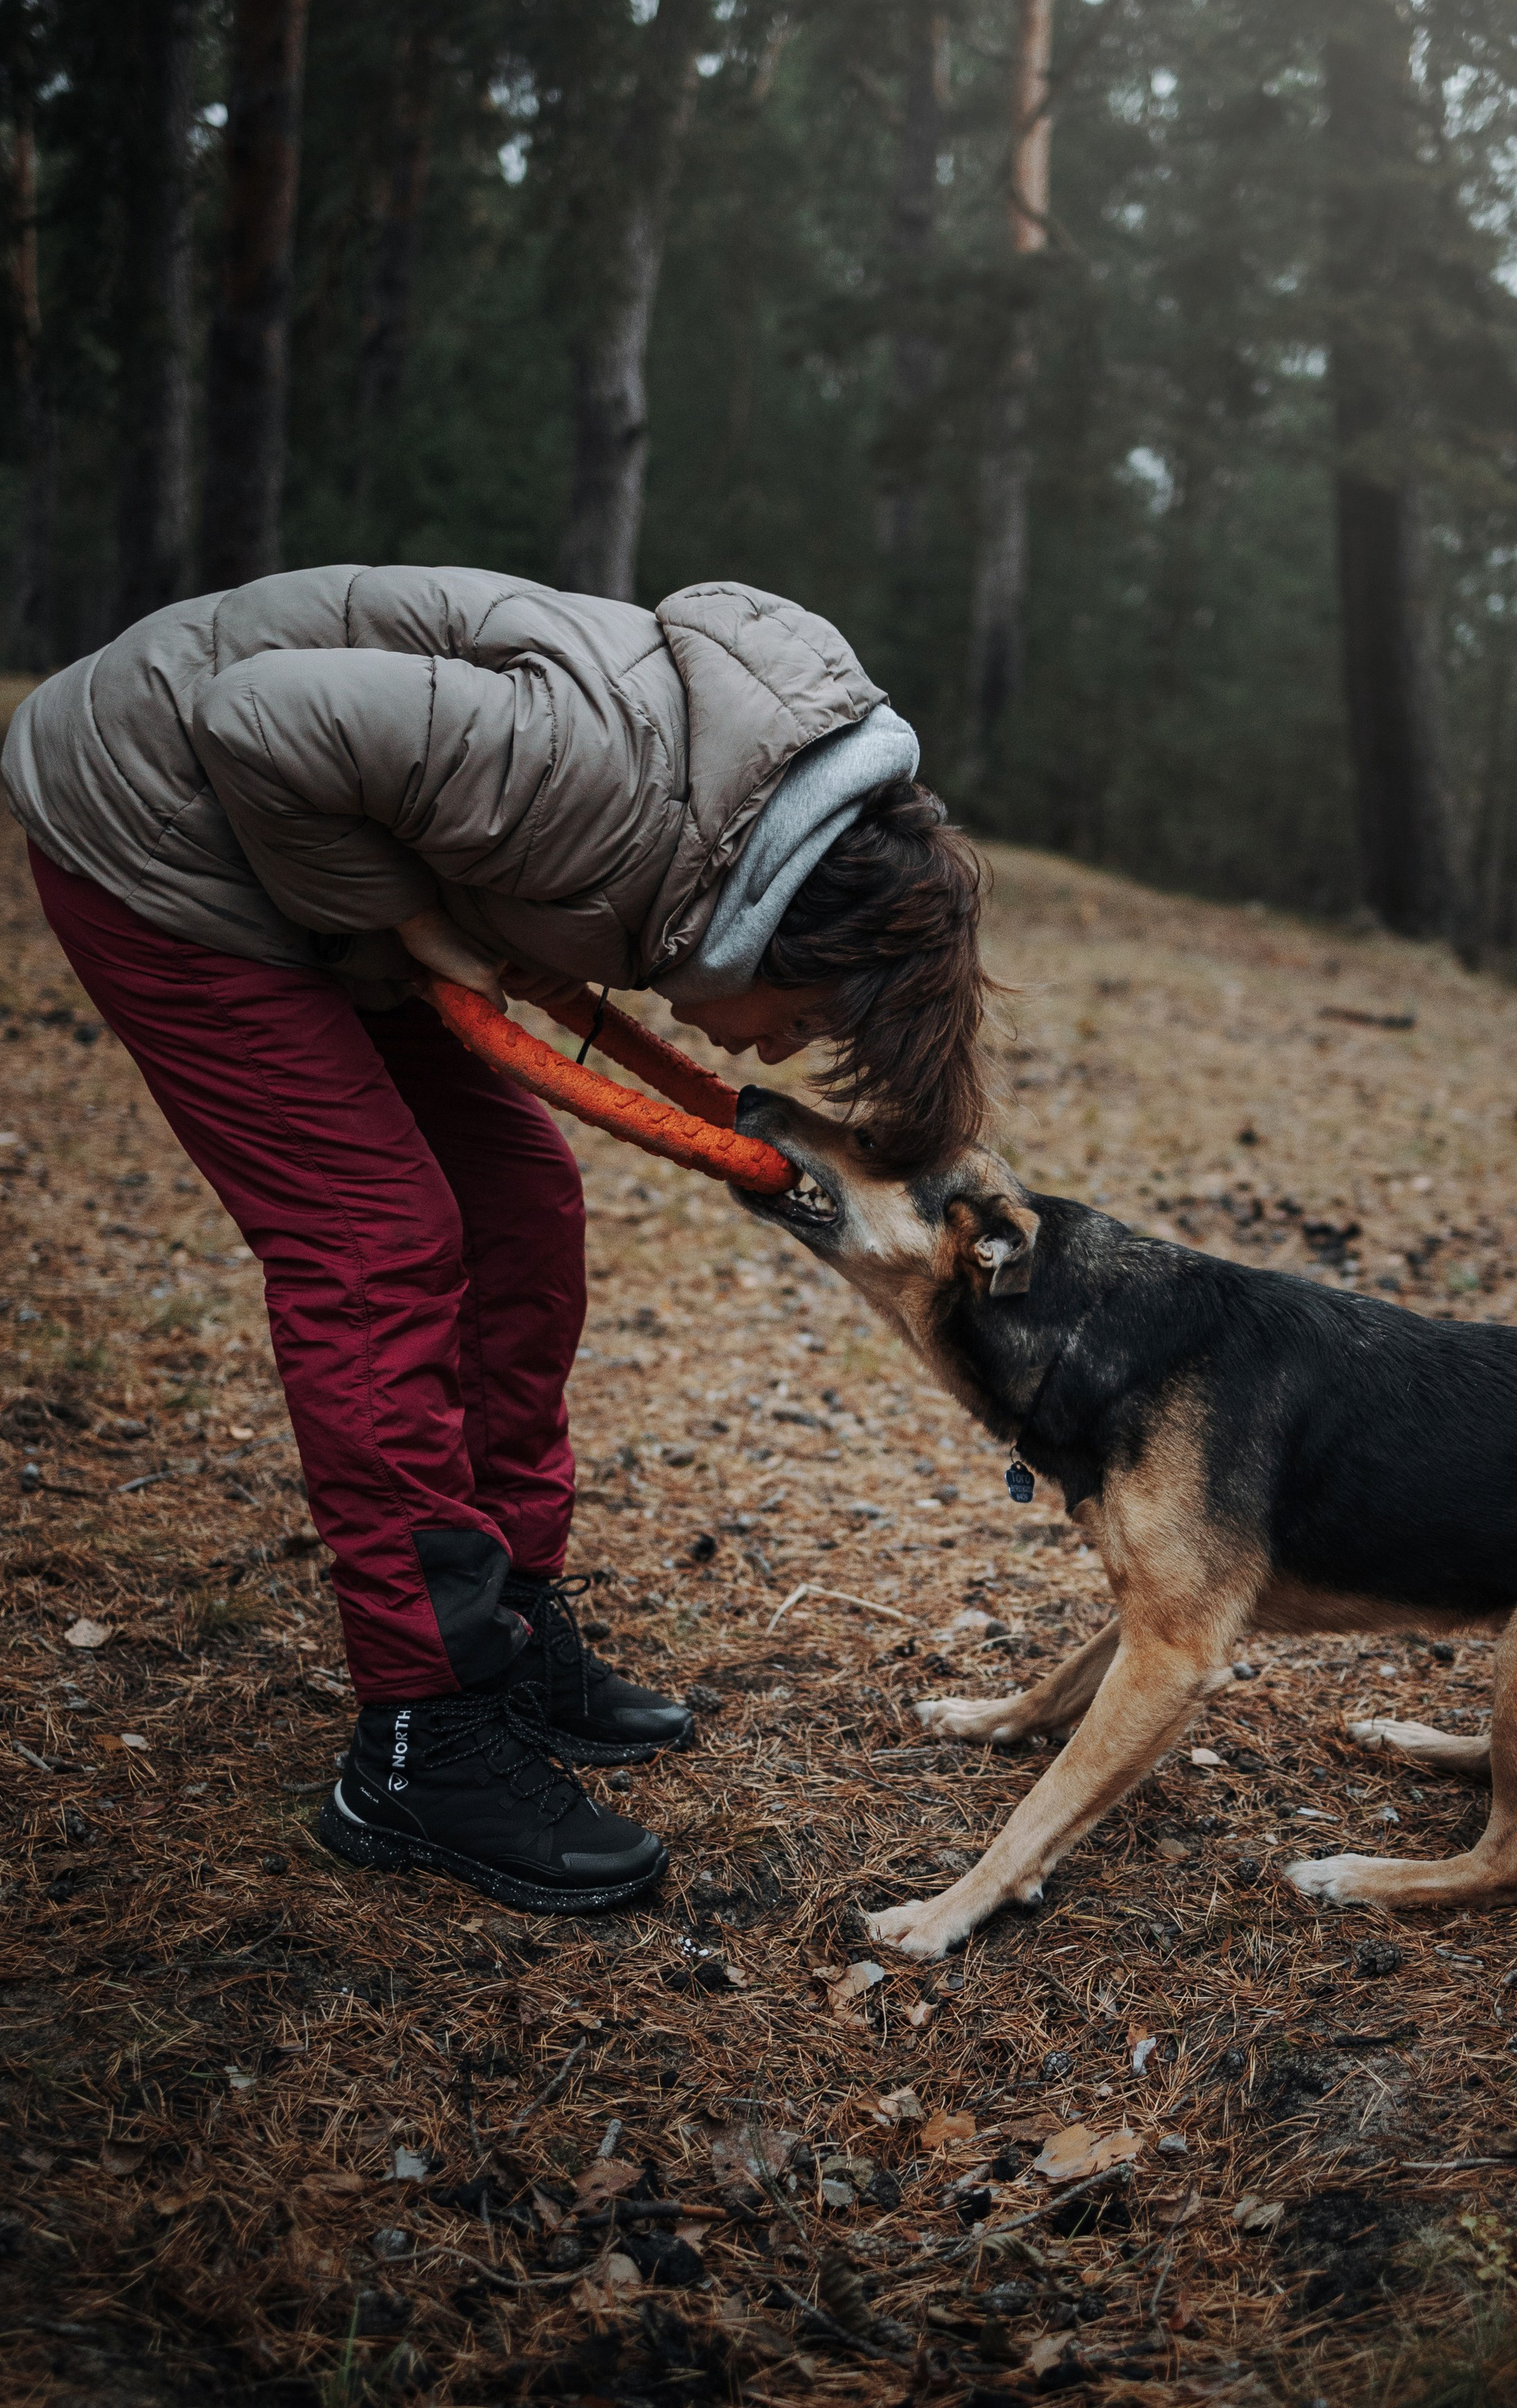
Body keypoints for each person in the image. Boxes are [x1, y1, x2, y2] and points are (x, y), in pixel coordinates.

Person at [3, 565, 989, 1916]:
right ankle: (425, 1734)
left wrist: (423, 920)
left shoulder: (715, 820)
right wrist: (412, 920)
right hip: (157, 822)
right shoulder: (592, 786)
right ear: (786, 926)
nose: (776, 1051)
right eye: (807, 1019)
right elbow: (252, 721)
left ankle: (510, 1626)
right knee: (374, 1239)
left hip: (303, 847)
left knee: (527, 1204)